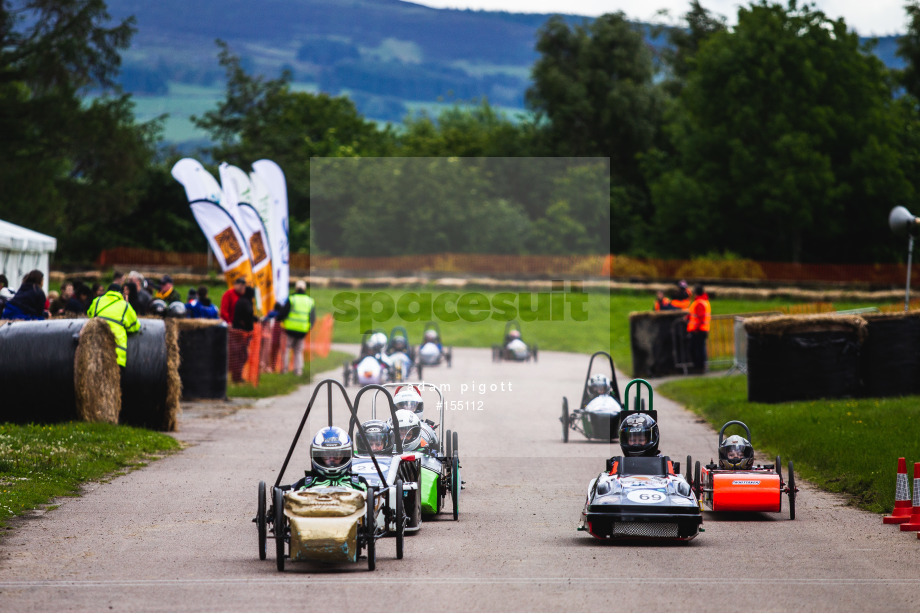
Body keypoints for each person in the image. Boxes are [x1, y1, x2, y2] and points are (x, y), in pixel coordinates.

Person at [87, 282, 140, 370]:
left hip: (96, 348)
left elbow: (89, 314)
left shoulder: (97, 301)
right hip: (116, 352)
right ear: (121, 293)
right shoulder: (125, 306)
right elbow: (134, 327)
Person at [295, 427, 366, 491]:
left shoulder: (360, 483)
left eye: (337, 455)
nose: (332, 459)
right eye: (326, 455)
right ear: (317, 456)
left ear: (345, 456)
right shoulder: (304, 485)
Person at [278, 280, 316, 376]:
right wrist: (308, 328)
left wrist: (279, 319)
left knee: (286, 349)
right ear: (305, 289)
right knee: (298, 351)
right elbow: (313, 318)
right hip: (302, 330)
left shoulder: (292, 299)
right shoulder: (310, 301)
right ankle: (298, 371)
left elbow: (283, 313)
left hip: (290, 329)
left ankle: (285, 370)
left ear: (295, 288)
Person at [229, 285, 255, 383]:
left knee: (240, 356)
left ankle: (237, 376)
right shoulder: (246, 303)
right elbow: (248, 315)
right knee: (241, 356)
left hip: (240, 332)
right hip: (241, 334)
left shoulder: (242, 301)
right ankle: (237, 377)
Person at [686, 284, 711, 374]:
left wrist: (696, 329)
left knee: (697, 350)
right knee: (699, 349)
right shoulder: (703, 301)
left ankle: (699, 368)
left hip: (698, 330)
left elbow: (700, 317)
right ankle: (700, 367)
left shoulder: (699, 302)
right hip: (702, 329)